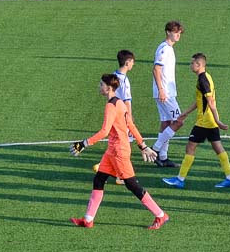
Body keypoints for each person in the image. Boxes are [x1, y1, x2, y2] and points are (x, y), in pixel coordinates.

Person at [69, 74, 167, 230]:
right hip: (112, 150)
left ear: (108, 87)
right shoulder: (120, 103)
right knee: (99, 180)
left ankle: (160, 215)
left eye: (101, 84)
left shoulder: (111, 106)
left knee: (132, 185)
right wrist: (142, 145)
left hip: (118, 152)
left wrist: (84, 143)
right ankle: (88, 219)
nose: (99, 86)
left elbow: (104, 131)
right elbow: (131, 126)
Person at [162, 53, 230, 189]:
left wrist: (217, 120)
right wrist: (185, 113)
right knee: (217, 147)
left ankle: (180, 179)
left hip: (205, 121)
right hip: (210, 120)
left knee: (190, 147)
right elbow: (199, 101)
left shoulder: (203, 80)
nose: (190, 65)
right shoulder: (206, 77)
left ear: (199, 65)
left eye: (192, 63)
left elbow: (210, 101)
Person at [92, 49, 137, 186]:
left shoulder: (114, 75)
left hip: (115, 114)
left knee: (115, 142)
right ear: (128, 62)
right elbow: (127, 101)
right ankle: (120, 175)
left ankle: (108, 168)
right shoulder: (124, 80)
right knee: (124, 144)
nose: (133, 65)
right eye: (133, 62)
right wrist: (129, 118)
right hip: (121, 116)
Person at [151, 20, 185, 167]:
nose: (178, 35)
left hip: (166, 92)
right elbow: (156, 69)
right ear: (168, 32)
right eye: (175, 32)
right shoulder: (164, 49)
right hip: (165, 93)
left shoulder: (168, 49)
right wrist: (161, 90)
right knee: (179, 120)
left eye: (179, 33)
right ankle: (155, 149)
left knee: (166, 122)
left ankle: (163, 157)